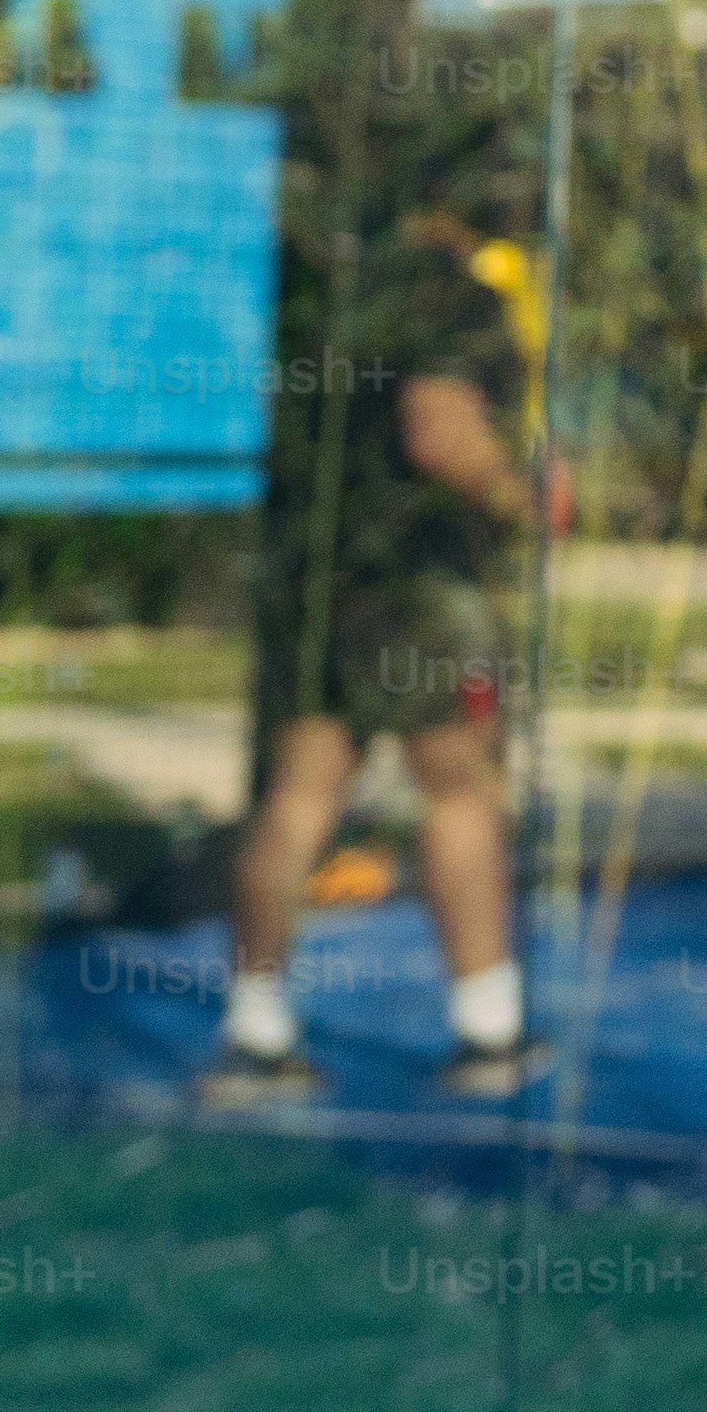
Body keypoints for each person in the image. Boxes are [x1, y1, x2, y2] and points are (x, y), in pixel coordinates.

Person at [204, 209, 540, 1107]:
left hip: (312, 580)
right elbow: (439, 429)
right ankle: (487, 1028)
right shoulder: (448, 298)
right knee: (460, 787)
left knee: (300, 794)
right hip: (416, 585)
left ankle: (255, 1034)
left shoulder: (318, 299)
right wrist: (520, 497)